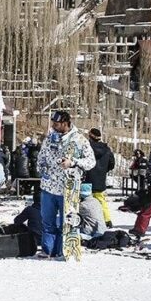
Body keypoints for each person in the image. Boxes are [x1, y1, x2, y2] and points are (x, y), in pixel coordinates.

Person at [37, 110, 96, 258]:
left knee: (68, 222)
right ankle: (48, 249)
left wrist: (73, 162)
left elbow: (91, 162)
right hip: (48, 186)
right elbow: (41, 157)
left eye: (56, 124)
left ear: (65, 123)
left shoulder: (79, 140)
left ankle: (65, 250)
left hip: (68, 189)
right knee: (47, 220)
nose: (54, 126)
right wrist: (41, 168)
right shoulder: (49, 138)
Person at [85, 128, 115, 227]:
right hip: (100, 179)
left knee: (85, 200)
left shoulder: (86, 148)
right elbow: (112, 163)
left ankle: (87, 219)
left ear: (90, 136)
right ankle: (107, 220)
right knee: (101, 200)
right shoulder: (107, 149)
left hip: (87, 178)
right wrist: (103, 171)